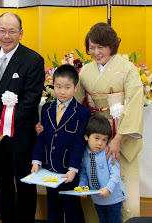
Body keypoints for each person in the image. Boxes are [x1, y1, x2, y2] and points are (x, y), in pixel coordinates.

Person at [75, 22, 144, 222]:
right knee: (97, 186)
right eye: (92, 47)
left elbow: (134, 103)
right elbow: (77, 104)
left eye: (101, 46)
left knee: (125, 188)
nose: (96, 52)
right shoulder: (86, 72)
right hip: (96, 137)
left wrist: (119, 138)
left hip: (122, 135)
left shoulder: (127, 69)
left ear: (112, 45)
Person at [0, 12, 45, 223]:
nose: (6, 36)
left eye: (12, 31)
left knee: (25, 184)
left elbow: (31, 100)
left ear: (21, 33)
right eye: (2, 31)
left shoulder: (33, 60)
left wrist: (5, 123)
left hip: (22, 135)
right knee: (2, 184)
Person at [31, 64, 90, 223]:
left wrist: (73, 170)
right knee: (53, 207)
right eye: (58, 86)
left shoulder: (83, 112)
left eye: (67, 87)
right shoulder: (46, 108)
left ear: (76, 87)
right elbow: (41, 137)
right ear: (53, 85)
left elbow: (79, 143)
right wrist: (36, 161)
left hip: (69, 170)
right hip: (50, 169)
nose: (62, 91)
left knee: (72, 208)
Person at [79, 116, 127, 223]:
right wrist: (82, 185)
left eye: (104, 139)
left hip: (113, 198)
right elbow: (84, 173)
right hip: (97, 199)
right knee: (102, 220)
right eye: (97, 138)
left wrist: (108, 189)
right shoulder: (84, 154)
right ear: (86, 136)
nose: (100, 143)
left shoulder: (108, 153)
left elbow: (115, 174)